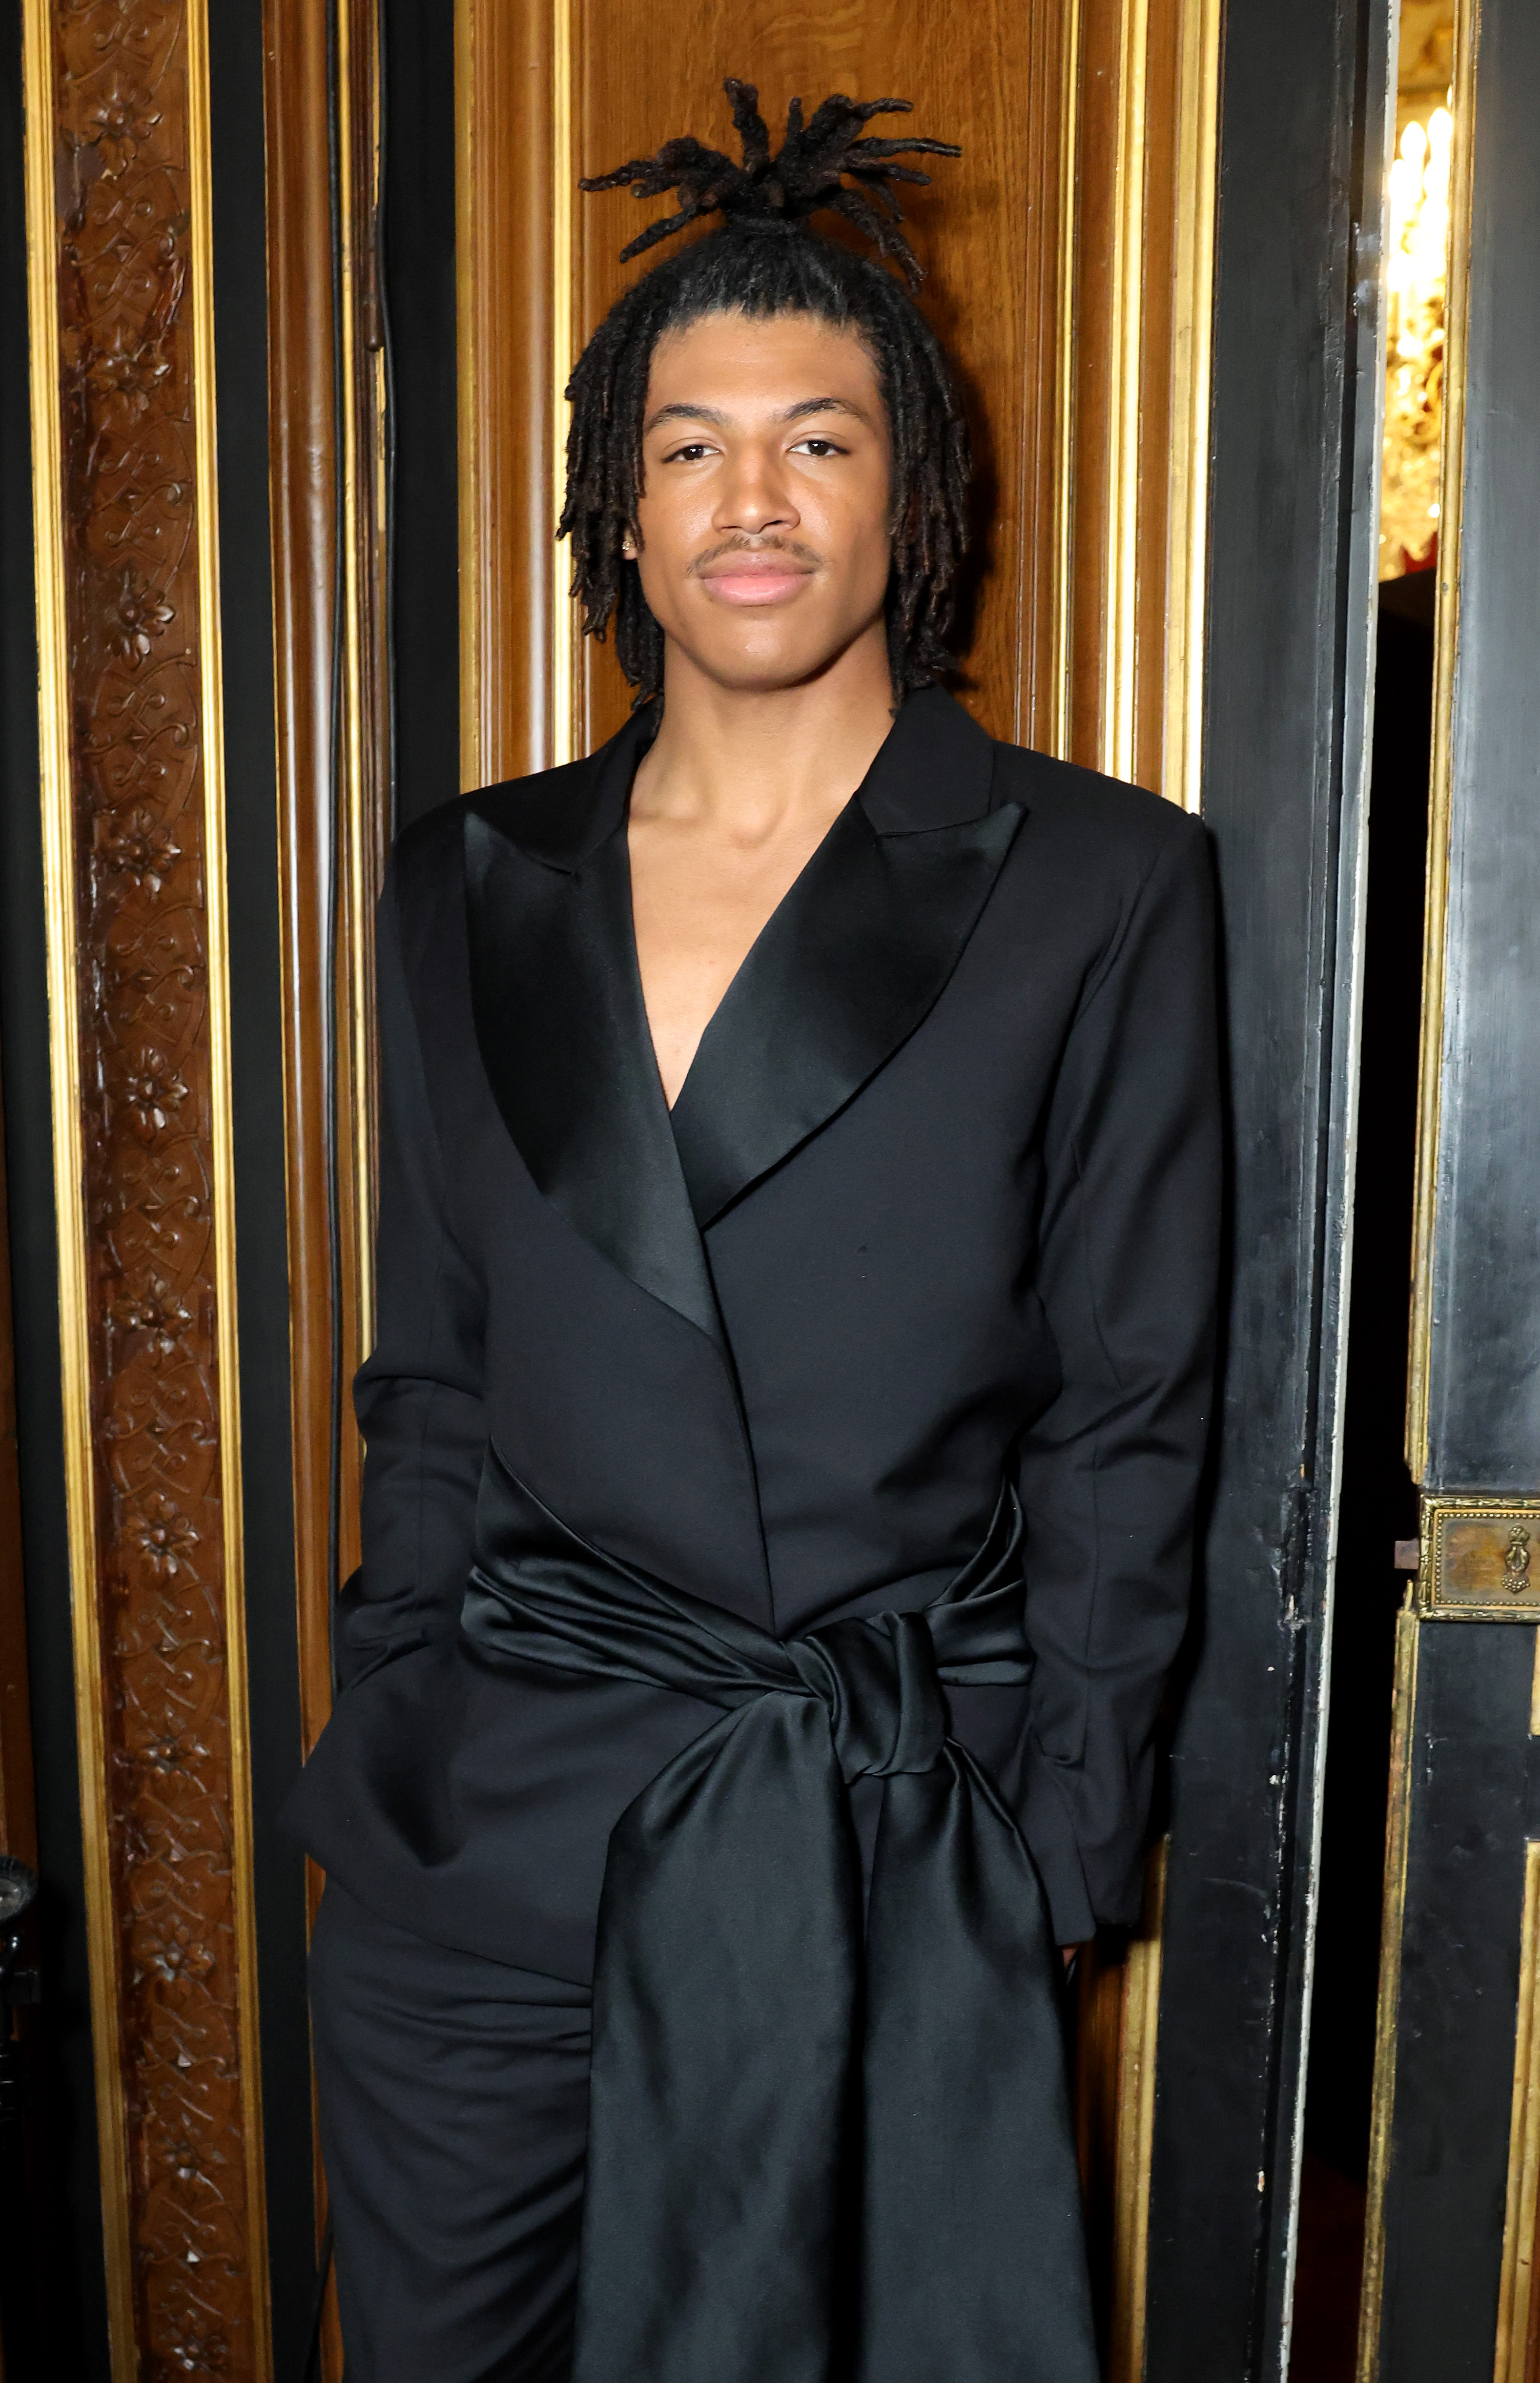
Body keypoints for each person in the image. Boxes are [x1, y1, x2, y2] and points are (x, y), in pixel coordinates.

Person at [282, 79, 1221, 2383]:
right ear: (616, 503)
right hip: (482, 1831)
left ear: (911, 491)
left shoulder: (1099, 880)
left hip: (877, 1842)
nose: (751, 500)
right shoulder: (463, 880)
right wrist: (394, 1704)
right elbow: (431, 1372)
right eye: (689, 443)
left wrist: (1049, 1860)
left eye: (817, 437)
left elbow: (1133, 1414)